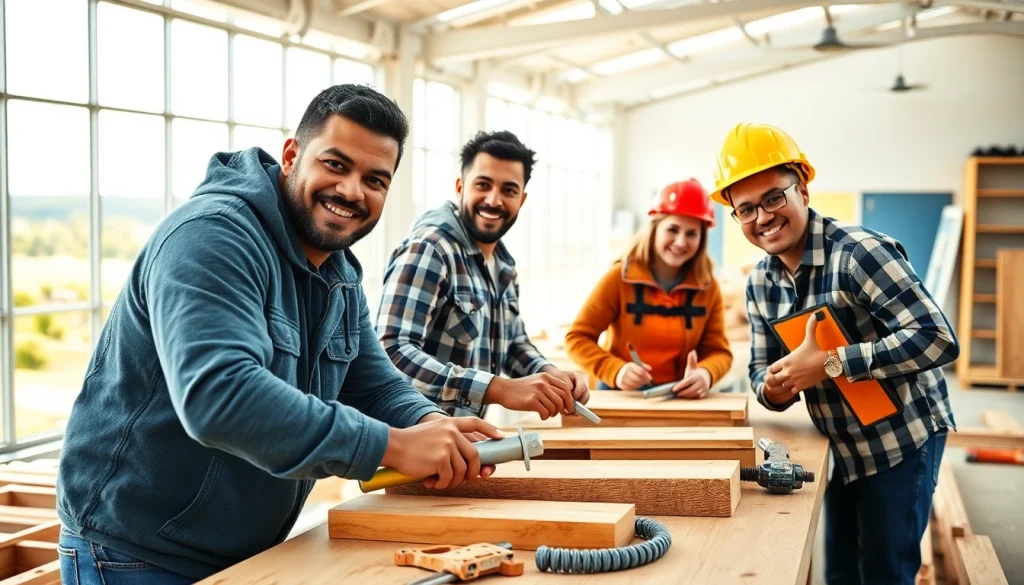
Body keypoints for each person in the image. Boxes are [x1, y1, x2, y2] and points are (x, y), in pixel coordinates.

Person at [55, 85, 504, 585]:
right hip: (140, 554)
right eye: (336, 165)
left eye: (374, 179)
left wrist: (433, 425)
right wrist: (391, 446)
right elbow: (219, 396)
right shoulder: (212, 238)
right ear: (292, 155)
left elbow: (373, 383)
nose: (352, 191)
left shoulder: (337, 271)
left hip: (246, 550)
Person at [711, 122, 959, 585]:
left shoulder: (860, 255)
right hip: (838, 447)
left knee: (885, 570)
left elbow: (936, 337)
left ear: (802, 188)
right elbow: (760, 374)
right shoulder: (760, 284)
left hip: (902, 442)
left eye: (772, 197)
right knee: (841, 570)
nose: (762, 217)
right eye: (745, 209)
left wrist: (830, 362)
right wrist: (776, 386)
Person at [376, 130, 589, 420]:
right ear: (460, 186)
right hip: (410, 436)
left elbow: (512, 344)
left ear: (522, 199)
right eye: (483, 185)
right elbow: (392, 351)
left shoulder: (503, 264)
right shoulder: (431, 249)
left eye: (508, 190)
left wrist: (550, 374)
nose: (494, 200)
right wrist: (498, 388)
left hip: (461, 442)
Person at [564, 179, 733, 396]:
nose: (681, 242)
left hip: (677, 397)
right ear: (654, 229)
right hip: (620, 394)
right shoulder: (618, 278)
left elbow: (720, 353)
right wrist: (616, 370)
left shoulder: (708, 288)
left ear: (701, 239)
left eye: (691, 233)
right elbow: (576, 338)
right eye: (673, 229)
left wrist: (706, 374)